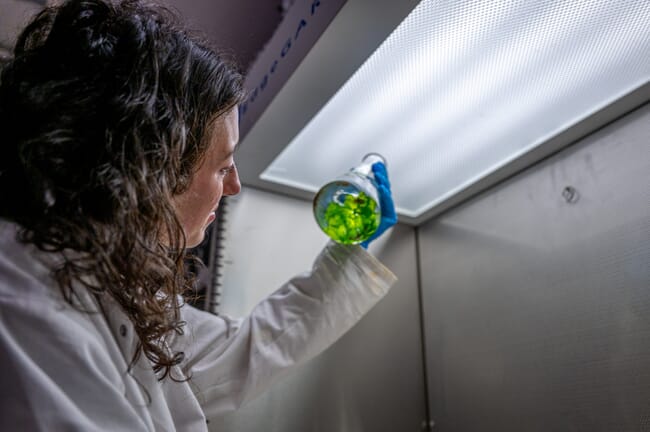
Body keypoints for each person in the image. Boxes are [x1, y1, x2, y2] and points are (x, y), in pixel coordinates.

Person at [0, 0, 398, 430]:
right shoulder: (25, 304)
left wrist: (346, 257)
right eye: (223, 166)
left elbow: (245, 350)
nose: (234, 187)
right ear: (151, 165)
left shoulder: (116, 285)